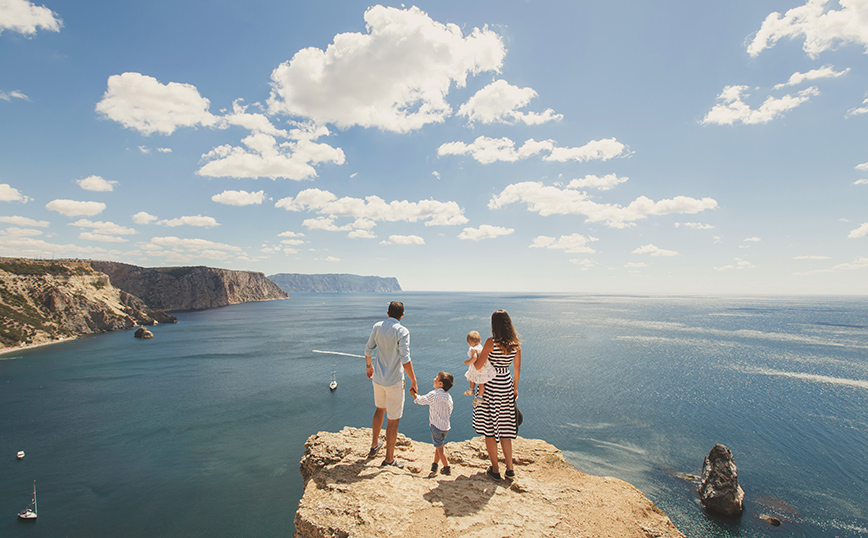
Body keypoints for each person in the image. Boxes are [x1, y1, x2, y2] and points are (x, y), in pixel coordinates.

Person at [364, 301, 418, 468]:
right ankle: (389, 459)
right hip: (394, 381)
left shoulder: (377, 326)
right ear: (402, 315)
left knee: (379, 409)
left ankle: (374, 445)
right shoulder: (402, 331)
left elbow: (368, 350)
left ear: (387, 313)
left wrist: (369, 366)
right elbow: (405, 359)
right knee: (393, 420)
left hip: (378, 379)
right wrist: (414, 380)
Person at [471, 309, 521, 481]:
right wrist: (514, 388)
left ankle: (495, 469)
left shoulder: (491, 342)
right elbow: (517, 369)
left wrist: (475, 355)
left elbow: (478, 366)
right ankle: (510, 468)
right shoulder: (515, 343)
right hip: (506, 384)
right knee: (506, 428)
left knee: (490, 429)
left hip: (491, 384)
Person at [410, 372, 454, 475]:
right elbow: (450, 410)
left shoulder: (434, 394)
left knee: (440, 449)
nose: (434, 378)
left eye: (437, 378)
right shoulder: (448, 397)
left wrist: (414, 395)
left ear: (440, 384)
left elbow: (421, 400)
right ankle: (434, 465)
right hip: (446, 426)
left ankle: (446, 468)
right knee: (439, 446)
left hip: (436, 426)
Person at [463, 330, 495, 406]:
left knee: (471, 378)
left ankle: (471, 390)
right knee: (481, 384)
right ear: (480, 341)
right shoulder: (481, 347)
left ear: (469, 343)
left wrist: (468, 362)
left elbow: (474, 358)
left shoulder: (473, 349)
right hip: (483, 368)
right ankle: (480, 397)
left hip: (476, 368)